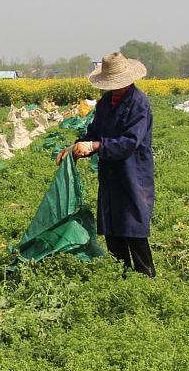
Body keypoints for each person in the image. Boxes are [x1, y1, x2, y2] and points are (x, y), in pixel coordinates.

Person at [57, 51, 155, 277]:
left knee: (133, 228)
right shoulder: (105, 104)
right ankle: (122, 276)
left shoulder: (139, 103)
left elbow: (130, 142)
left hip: (133, 173)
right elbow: (93, 132)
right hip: (111, 174)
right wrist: (75, 148)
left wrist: (96, 147)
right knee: (113, 227)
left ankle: (146, 279)